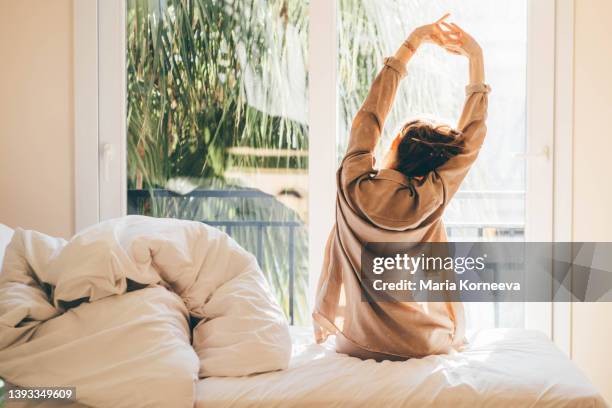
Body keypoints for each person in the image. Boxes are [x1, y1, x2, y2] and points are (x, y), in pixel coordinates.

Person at [313, 14, 490, 360]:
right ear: (432, 167)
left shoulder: (353, 184)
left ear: (393, 139)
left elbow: (369, 117)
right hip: (420, 344)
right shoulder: (432, 196)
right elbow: (470, 141)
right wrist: (476, 58)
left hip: (355, 342)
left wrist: (410, 46)